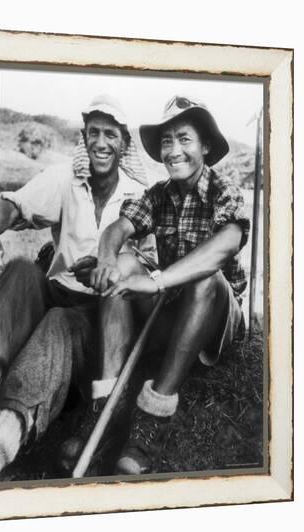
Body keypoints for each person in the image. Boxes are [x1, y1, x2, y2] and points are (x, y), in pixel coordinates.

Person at [89, 95, 250, 475]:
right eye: (166, 141)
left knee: (205, 277)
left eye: (184, 139)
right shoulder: (157, 195)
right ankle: (105, 407)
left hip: (218, 321)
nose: (173, 151)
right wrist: (108, 256)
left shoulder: (224, 191)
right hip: (176, 309)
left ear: (205, 147)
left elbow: (223, 248)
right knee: (124, 264)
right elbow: (118, 228)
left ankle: (153, 416)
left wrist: (156, 281)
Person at [0, 95, 156, 474]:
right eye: (94, 133)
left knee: (59, 323)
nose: (101, 143)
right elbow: (15, 206)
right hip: (58, 289)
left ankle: (7, 430)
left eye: (111, 135)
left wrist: (113, 266)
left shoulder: (138, 195)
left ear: (124, 144)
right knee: (21, 271)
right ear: (84, 138)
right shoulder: (67, 178)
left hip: (100, 313)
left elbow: (151, 263)